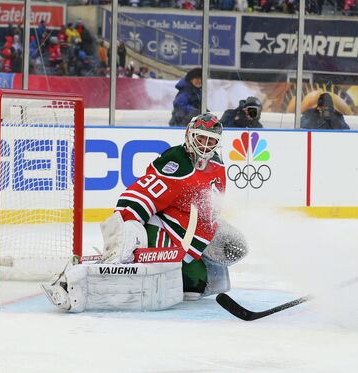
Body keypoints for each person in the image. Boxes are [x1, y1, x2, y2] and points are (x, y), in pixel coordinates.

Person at [42, 113, 249, 312]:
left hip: (189, 235)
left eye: (210, 140)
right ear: (189, 135)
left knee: (232, 249)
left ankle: (194, 266)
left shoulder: (217, 166)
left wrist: (206, 236)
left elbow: (210, 209)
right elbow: (140, 194)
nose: (205, 144)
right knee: (193, 284)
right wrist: (126, 226)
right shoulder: (177, 162)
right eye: (201, 137)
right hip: (166, 232)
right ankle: (117, 267)